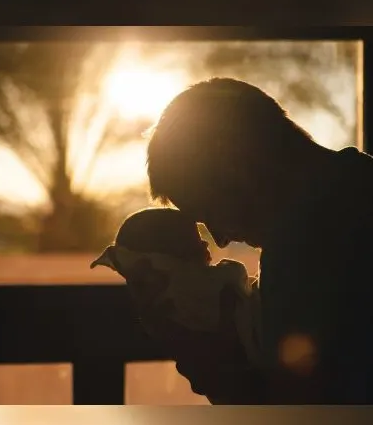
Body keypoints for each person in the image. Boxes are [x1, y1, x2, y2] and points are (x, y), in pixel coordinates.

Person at [138, 77, 373, 404]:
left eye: (209, 212)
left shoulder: (301, 248)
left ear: (236, 167)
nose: (219, 240)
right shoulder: (357, 186)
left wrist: (205, 359)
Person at [90, 207, 259, 377]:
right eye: (194, 240)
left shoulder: (161, 302)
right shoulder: (192, 286)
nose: (206, 243)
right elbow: (235, 277)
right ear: (169, 257)